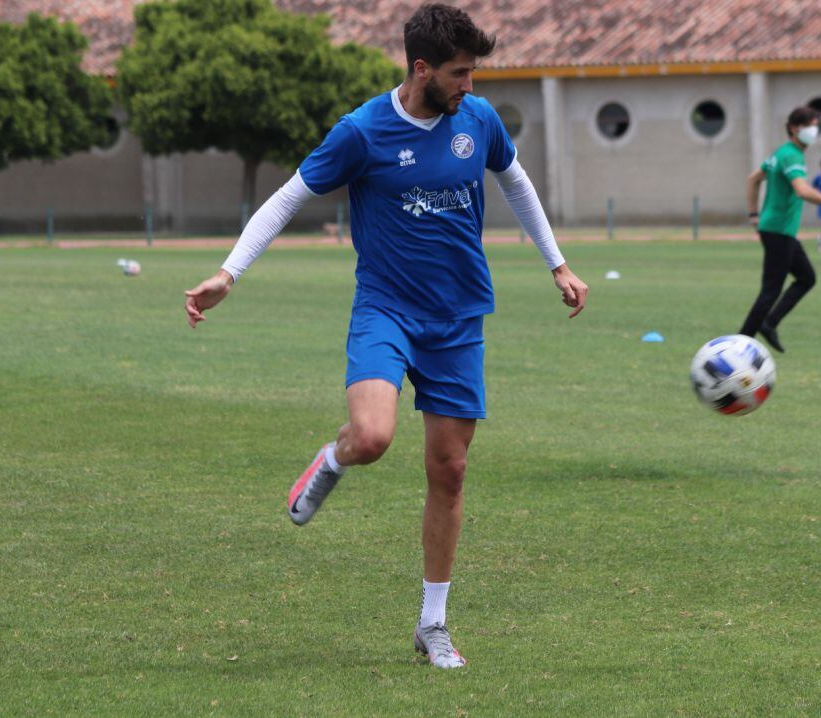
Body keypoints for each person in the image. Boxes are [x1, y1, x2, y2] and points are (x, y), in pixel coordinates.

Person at [183, 3, 588, 669]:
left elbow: (515, 183)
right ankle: (334, 459)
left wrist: (558, 263)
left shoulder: (478, 122)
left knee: (450, 471)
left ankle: (432, 625)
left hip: (458, 319)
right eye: (460, 74)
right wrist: (229, 273)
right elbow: (288, 196)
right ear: (421, 68)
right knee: (372, 437)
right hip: (387, 309)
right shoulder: (362, 131)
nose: (471, 86)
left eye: (474, 73)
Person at [739, 107, 821, 353]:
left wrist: (753, 215)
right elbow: (802, 190)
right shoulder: (791, 155)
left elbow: (753, 179)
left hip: (779, 230)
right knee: (770, 291)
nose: (814, 132)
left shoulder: (780, 153)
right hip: (779, 230)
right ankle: (740, 344)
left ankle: (769, 323)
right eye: (810, 126)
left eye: (816, 127)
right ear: (794, 128)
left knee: (806, 278)